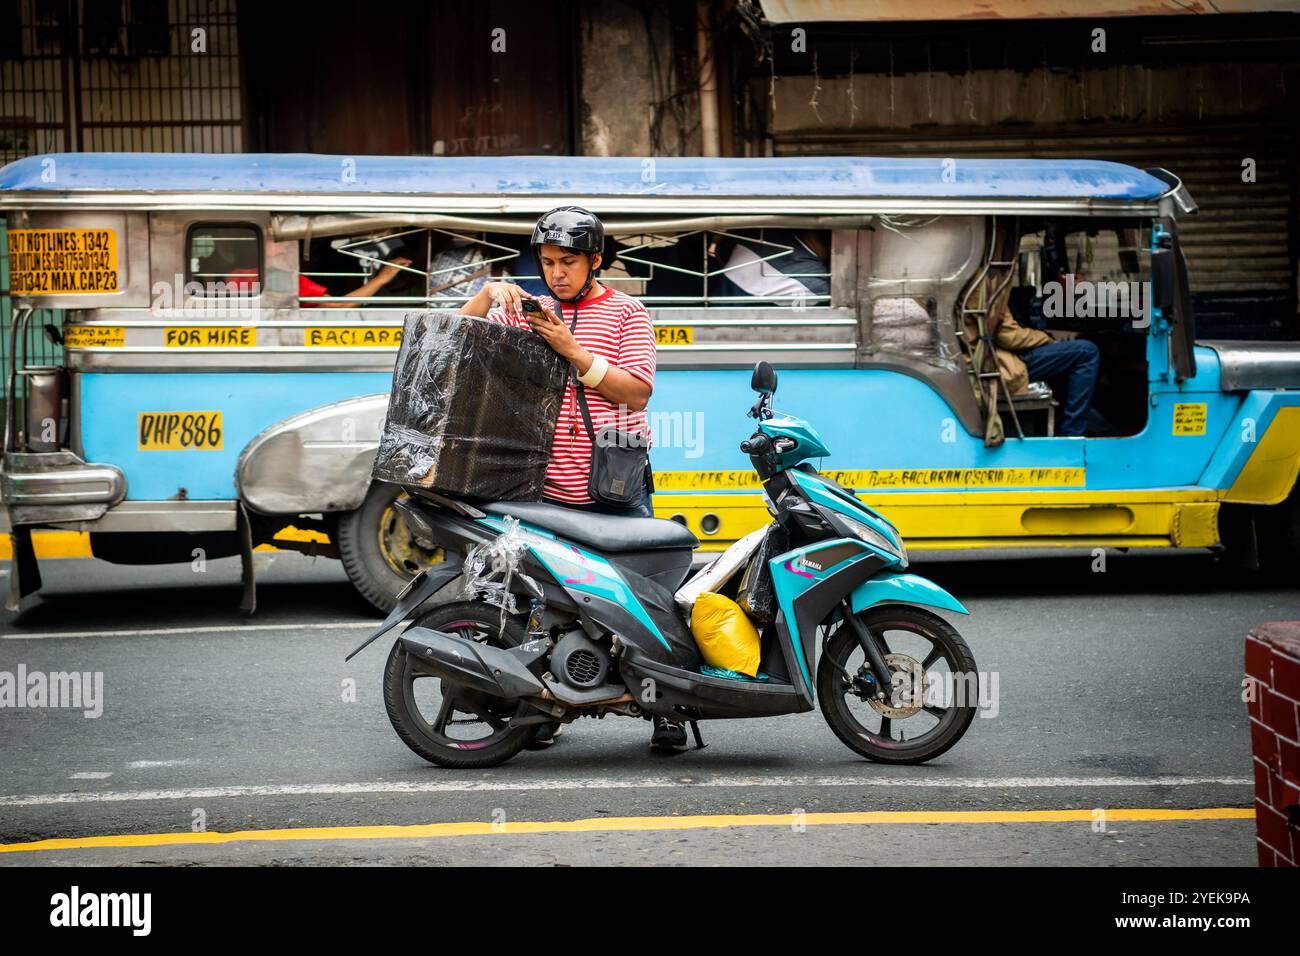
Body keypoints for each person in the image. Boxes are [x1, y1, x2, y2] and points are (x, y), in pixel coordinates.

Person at [459, 206, 688, 754]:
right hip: (543, 487)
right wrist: (490, 294)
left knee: (648, 598)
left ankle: (668, 710)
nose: (556, 273)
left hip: (616, 484)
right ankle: (542, 707)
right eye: (546, 262)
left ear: (596, 261)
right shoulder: (524, 311)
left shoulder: (628, 314)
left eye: (568, 261)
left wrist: (570, 349)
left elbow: (635, 391)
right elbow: (458, 340)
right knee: (543, 601)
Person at [965, 289, 1100, 438]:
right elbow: (1009, 336)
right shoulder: (983, 287)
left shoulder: (979, 284)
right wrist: (1046, 338)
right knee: (1087, 352)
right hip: (1000, 360)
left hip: (997, 356)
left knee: (1065, 359)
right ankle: (1071, 434)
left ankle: (1066, 425)